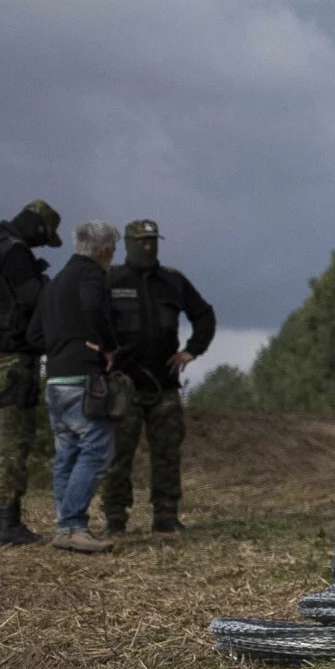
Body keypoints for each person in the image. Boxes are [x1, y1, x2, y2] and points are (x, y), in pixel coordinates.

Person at [97, 219, 214, 535]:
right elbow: (89, 320)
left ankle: (166, 515)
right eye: (142, 241)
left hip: (164, 384)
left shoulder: (173, 282)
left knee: (166, 453)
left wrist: (191, 351)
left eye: (152, 241)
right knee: (118, 454)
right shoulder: (111, 280)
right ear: (129, 243)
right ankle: (115, 517)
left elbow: (204, 315)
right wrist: (98, 357)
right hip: (124, 384)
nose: (148, 246)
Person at [0, 199, 61, 547]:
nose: (41, 244)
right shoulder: (17, 252)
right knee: (12, 439)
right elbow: (33, 298)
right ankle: (7, 522)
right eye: (45, 237)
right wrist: (51, 286)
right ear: (37, 226)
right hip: (11, 355)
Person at [33, 219, 121, 554]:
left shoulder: (55, 283)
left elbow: (34, 334)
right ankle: (72, 525)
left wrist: (60, 347)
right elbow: (94, 306)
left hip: (54, 377)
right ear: (102, 251)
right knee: (98, 448)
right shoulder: (90, 274)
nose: (112, 259)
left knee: (67, 452)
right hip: (82, 379)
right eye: (112, 252)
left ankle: (64, 524)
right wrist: (108, 345)